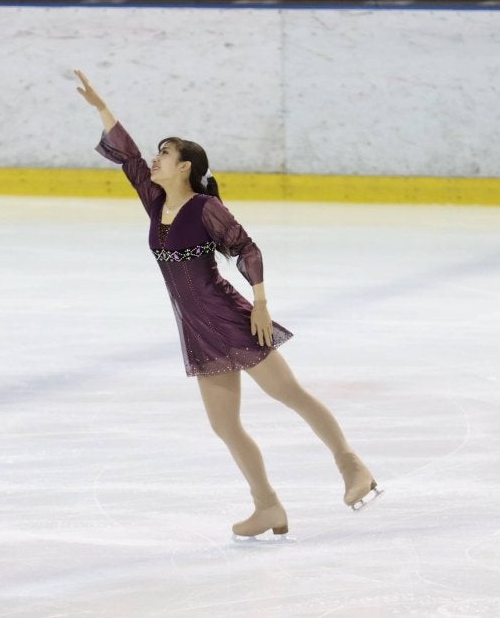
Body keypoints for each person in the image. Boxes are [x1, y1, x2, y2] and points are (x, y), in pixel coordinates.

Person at [74, 70, 380, 538]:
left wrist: (260, 303)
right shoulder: (155, 201)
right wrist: (101, 107)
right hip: (197, 329)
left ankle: (352, 466)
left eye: (165, 153)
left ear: (185, 168)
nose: (156, 159)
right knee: (224, 425)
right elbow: (129, 157)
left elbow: (246, 248)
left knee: (289, 394)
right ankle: (268, 506)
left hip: (230, 318)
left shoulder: (205, 208)